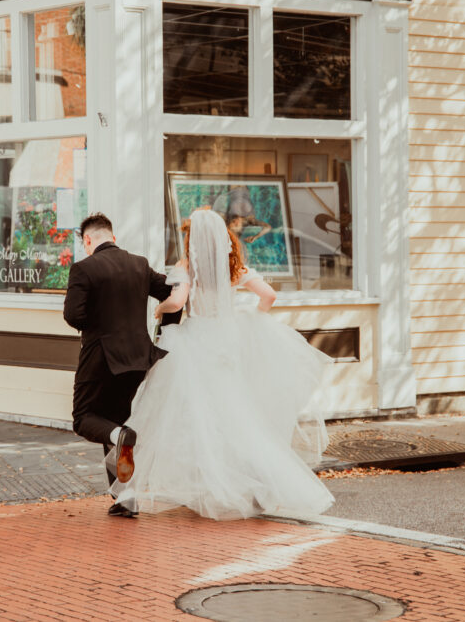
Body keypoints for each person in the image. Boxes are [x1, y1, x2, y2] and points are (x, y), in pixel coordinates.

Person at [109, 209, 334, 520]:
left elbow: (177, 302)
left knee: (198, 418)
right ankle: (260, 485)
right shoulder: (235, 267)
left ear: (193, 239)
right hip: (229, 342)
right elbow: (269, 296)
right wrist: (251, 318)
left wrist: (159, 310)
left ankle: (209, 486)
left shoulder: (186, 266)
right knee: (237, 414)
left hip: (197, 343)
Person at [63, 213, 174, 518]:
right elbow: (170, 292)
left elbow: (73, 315)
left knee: (85, 418)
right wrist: (167, 329)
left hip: (100, 357)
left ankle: (120, 443)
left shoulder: (84, 268)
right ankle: (126, 498)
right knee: (112, 423)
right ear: (112, 236)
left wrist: (100, 325)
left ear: (87, 240)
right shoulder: (139, 264)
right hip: (138, 358)